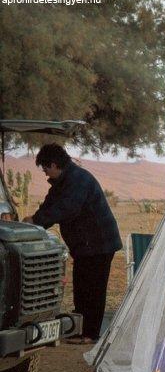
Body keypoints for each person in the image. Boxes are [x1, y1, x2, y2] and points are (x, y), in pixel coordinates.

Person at [23, 144, 122, 344]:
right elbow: (51, 204)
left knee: (93, 289)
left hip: (99, 244)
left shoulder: (78, 181)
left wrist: (37, 221)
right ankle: (80, 329)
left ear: (53, 164)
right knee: (81, 286)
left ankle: (89, 334)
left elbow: (66, 209)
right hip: (86, 247)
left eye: (45, 168)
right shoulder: (63, 181)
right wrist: (34, 220)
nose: (45, 173)